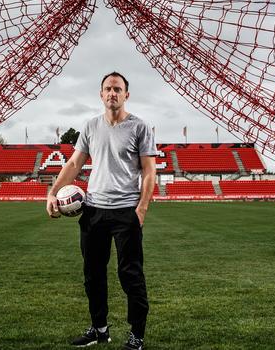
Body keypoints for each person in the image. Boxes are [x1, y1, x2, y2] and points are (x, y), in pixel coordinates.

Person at [46, 72, 157, 350]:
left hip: (125, 213)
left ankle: (137, 334)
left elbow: (149, 171)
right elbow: (73, 164)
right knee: (93, 275)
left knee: (130, 275)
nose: (112, 93)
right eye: (108, 89)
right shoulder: (91, 126)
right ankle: (99, 329)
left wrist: (140, 210)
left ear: (126, 95)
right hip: (93, 211)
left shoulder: (139, 127)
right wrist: (51, 193)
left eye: (118, 89)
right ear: (101, 94)